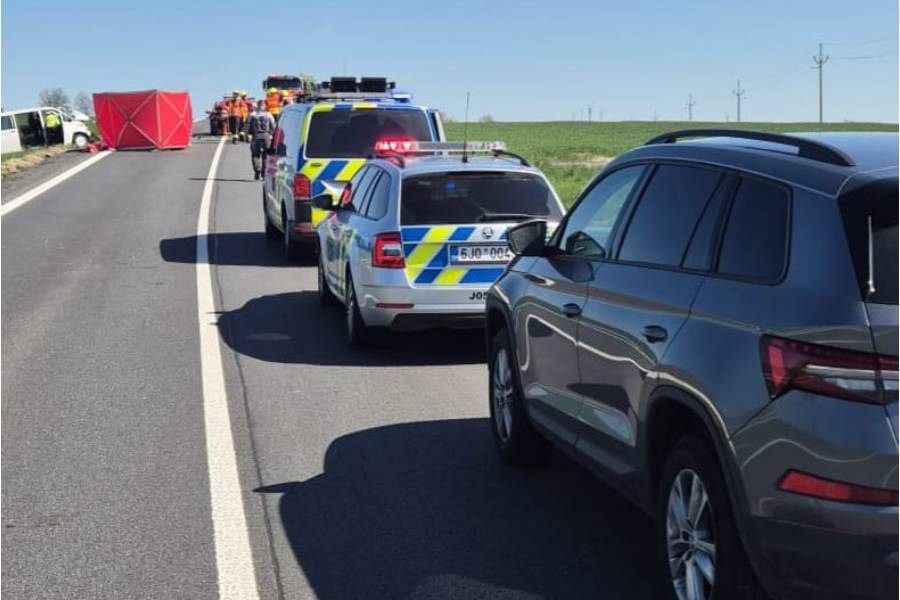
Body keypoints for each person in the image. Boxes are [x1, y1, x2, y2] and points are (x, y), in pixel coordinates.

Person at [247, 100, 276, 180]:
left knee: (255, 154)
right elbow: (273, 126)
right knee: (266, 156)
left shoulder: (252, 114)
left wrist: (247, 135)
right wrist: (273, 136)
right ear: (264, 106)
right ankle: (263, 174)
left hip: (256, 136)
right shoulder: (268, 114)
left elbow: (247, 125)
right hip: (266, 136)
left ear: (257, 105)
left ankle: (257, 169)